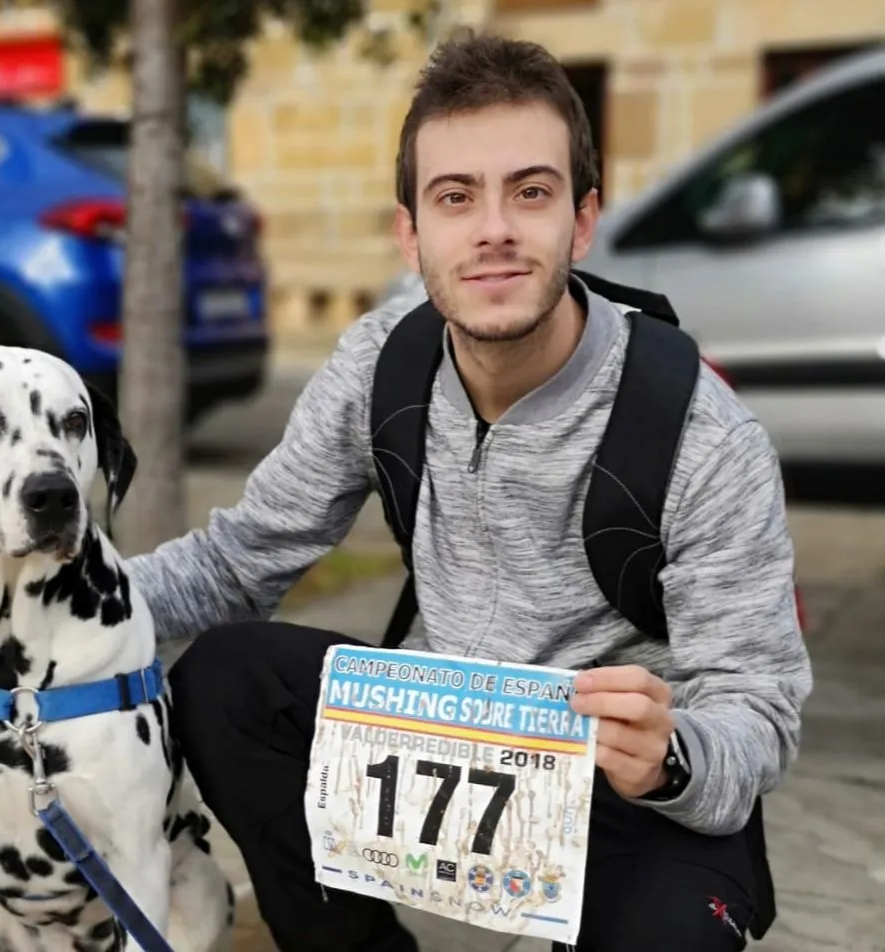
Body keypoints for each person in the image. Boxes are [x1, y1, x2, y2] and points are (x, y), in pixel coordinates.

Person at [127, 32, 812, 952]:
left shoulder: (703, 434)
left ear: (583, 217)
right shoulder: (382, 363)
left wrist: (672, 755)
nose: (494, 229)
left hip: (621, 791)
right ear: (411, 233)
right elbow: (241, 559)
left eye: (531, 192)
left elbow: (759, 708)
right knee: (227, 677)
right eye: (456, 198)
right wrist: (58, 609)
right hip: (432, 749)